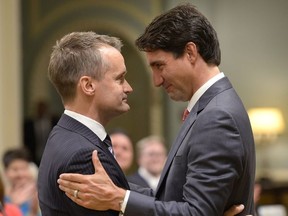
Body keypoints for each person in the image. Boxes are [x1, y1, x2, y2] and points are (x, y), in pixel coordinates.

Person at [58, 3, 255, 216]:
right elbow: (174, 196)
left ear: (190, 52)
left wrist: (119, 200)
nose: (156, 81)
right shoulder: (211, 107)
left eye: (159, 66)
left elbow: (196, 213)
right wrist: (116, 188)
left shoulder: (217, 116)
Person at [37, 31, 133, 215]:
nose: (128, 88)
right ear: (88, 86)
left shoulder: (64, 134)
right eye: (119, 79)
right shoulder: (83, 156)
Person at [2, 148, 40, 216]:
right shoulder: (3, 196)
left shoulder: (39, 194)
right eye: (15, 169)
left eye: (24, 168)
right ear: (6, 172)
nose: (20, 174)